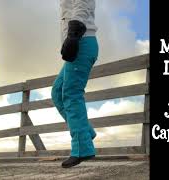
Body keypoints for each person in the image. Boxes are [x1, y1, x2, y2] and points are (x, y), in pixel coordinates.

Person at [51, 0, 99, 168]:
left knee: (72, 93)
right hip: (78, 42)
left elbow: (82, 4)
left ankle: (81, 149)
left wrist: (73, 35)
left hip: (82, 41)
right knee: (57, 92)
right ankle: (85, 134)